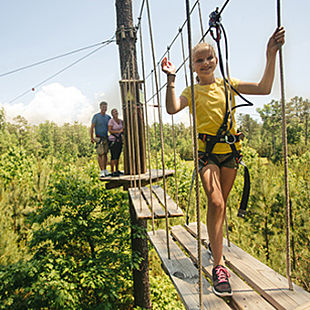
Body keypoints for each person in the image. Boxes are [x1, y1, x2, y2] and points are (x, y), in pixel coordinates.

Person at [161, 27, 285, 297]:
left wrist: (270, 53)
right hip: (207, 154)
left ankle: (213, 242)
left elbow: (264, 88)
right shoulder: (191, 91)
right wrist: (171, 79)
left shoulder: (228, 85)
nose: (205, 63)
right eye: (199, 60)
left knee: (221, 204)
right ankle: (219, 266)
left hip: (231, 153)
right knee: (216, 202)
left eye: (209, 58)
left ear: (216, 60)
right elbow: (171, 108)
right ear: (193, 66)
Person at [90, 101, 111, 178]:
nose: (104, 108)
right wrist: (91, 137)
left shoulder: (108, 117)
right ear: (100, 107)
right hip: (98, 138)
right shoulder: (96, 116)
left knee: (105, 154)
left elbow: (110, 127)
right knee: (100, 154)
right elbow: (92, 127)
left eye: (105, 107)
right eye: (103, 107)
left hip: (106, 137)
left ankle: (105, 170)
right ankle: (102, 171)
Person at [108, 108, 124, 176]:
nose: (116, 113)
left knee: (118, 156)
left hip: (119, 140)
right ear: (112, 114)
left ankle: (117, 170)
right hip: (113, 140)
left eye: (116, 111)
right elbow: (110, 130)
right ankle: (112, 171)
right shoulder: (111, 121)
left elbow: (123, 128)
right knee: (113, 156)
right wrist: (118, 131)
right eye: (114, 112)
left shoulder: (120, 121)